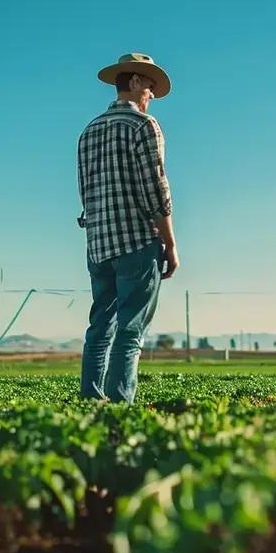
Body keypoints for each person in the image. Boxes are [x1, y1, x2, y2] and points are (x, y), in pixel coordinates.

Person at [76, 53, 179, 403]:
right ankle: (121, 410)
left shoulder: (88, 131)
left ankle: (91, 404)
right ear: (134, 82)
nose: (150, 95)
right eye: (149, 87)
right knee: (130, 332)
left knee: (99, 329)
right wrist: (170, 243)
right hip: (135, 242)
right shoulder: (143, 126)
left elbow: (85, 191)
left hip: (98, 244)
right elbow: (156, 191)